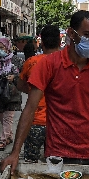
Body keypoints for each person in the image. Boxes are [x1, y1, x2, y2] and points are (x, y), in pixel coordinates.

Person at [1, 10, 89, 173]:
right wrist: (15, 152)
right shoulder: (49, 64)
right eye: (88, 35)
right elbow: (30, 108)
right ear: (71, 34)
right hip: (56, 153)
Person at [17, 25, 60, 163]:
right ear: (60, 42)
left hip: (35, 122)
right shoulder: (66, 63)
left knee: (30, 164)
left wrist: (35, 91)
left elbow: (21, 86)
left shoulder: (32, 62)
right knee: (55, 165)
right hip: (58, 123)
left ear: (41, 43)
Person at [0, 37, 24, 151]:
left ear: (8, 48)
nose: (0, 50)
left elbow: (25, 75)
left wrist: (15, 77)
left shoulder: (16, 60)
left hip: (12, 94)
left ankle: (3, 140)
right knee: (1, 116)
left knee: (8, 118)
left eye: (2, 48)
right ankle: (9, 135)